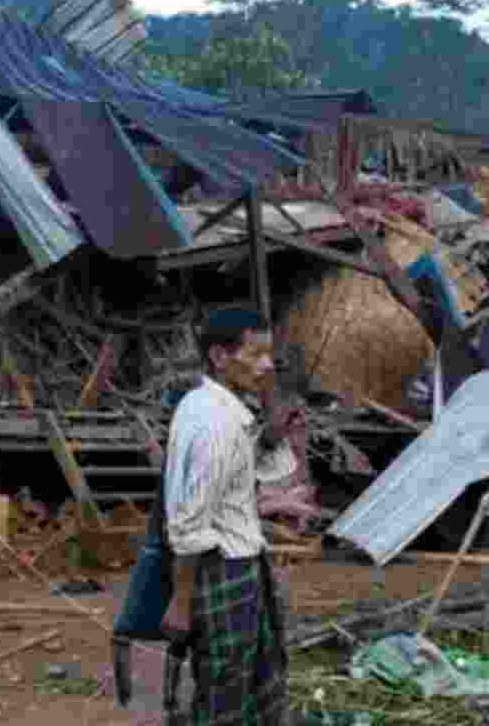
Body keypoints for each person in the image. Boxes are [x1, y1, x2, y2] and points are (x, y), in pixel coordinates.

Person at [161, 306, 297, 726]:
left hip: (239, 564)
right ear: (220, 358)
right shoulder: (215, 425)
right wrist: (181, 604)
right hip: (222, 570)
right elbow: (188, 524)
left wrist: (271, 433)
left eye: (269, 354)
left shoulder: (214, 408)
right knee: (224, 694)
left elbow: (243, 476)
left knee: (248, 685)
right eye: (255, 355)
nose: (266, 366)